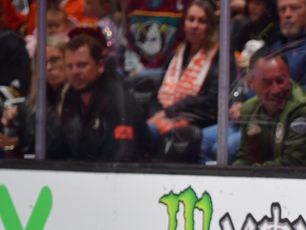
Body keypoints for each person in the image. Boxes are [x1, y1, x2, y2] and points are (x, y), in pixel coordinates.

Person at [147, 0, 235, 160]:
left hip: (199, 122)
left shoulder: (220, 56)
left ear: (210, 27)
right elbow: (157, 94)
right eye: (191, 19)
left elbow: (212, 99)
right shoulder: (175, 55)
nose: (195, 25)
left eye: (201, 21)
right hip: (167, 117)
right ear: (184, 23)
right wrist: (156, 114)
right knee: (146, 130)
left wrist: (168, 112)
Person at [48, 33, 141, 161]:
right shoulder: (70, 95)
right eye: (70, 66)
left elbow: (122, 155)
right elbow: (61, 147)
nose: (75, 72)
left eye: (82, 65)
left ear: (100, 66)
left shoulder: (118, 97)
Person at [233, 49, 306, 166]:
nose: (276, 90)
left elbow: (292, 164)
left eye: (280, 81)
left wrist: (248, 175)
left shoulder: (305, 109)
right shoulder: (249, 109)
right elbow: (245, 156)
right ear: (251, 84)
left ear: (289, 76)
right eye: (267, 83)